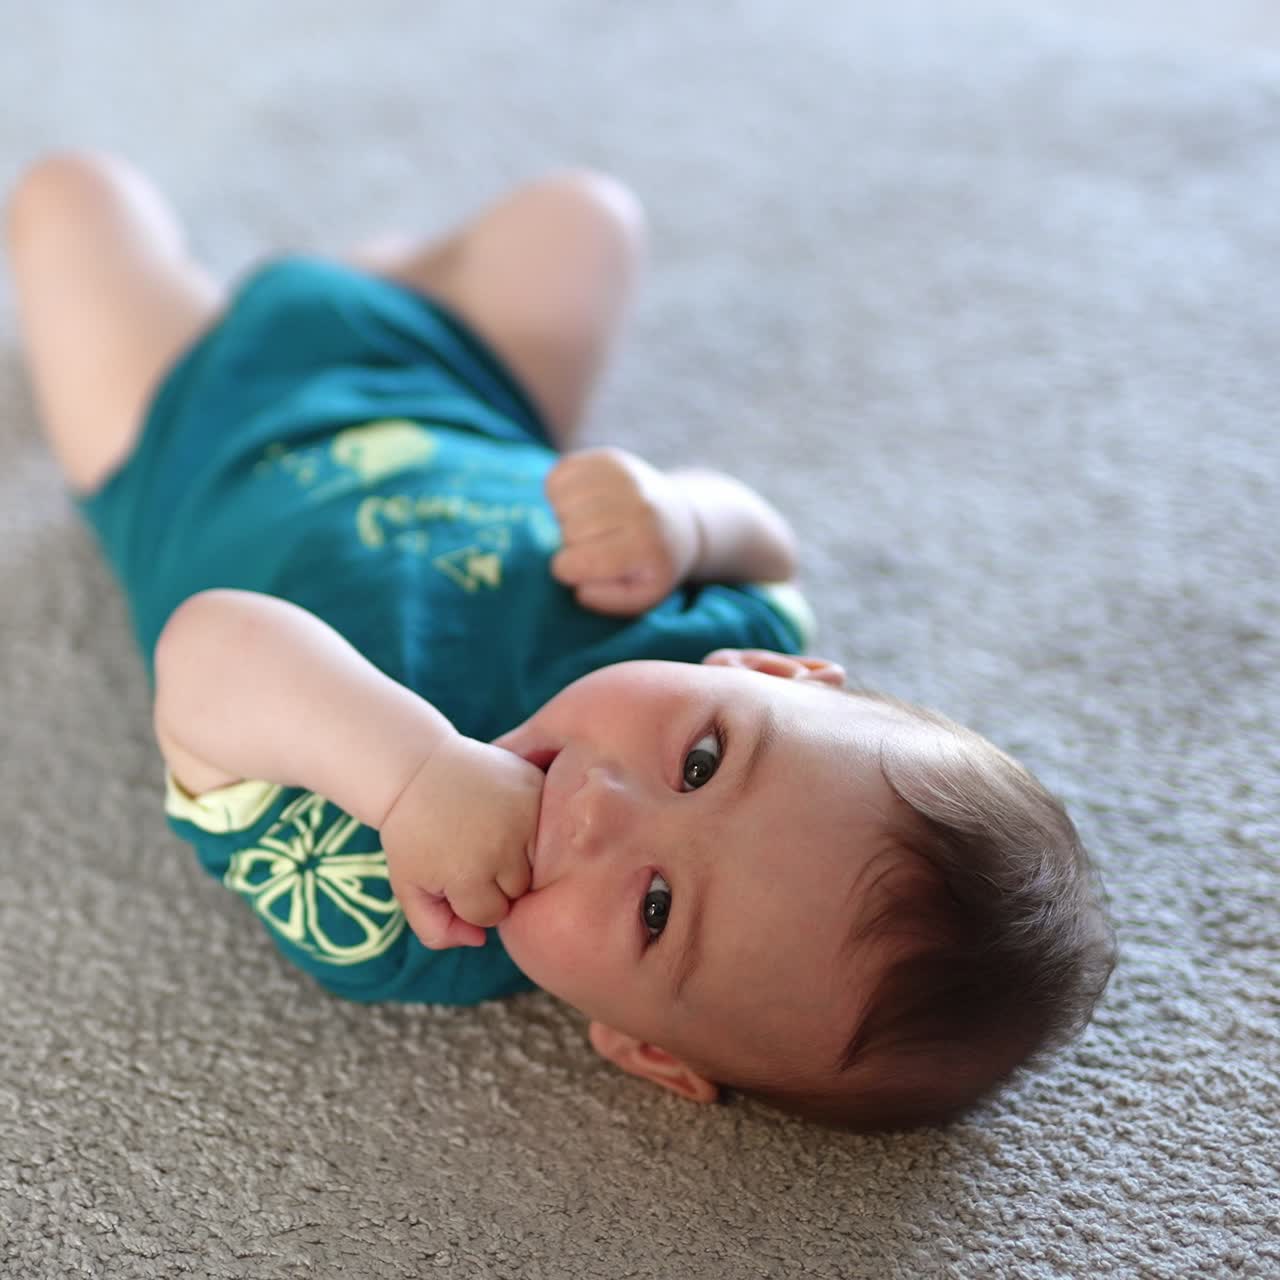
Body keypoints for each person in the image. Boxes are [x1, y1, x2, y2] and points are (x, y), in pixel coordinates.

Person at [5, 150, 1114, 1132]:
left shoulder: (396, 916)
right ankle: (385, 271)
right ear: (775, 673)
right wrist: (684, 519)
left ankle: (327, 276)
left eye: (655, 909)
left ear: (645, 1049)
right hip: (450, 381)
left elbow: (206, 650)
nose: (604, 808)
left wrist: (410, 775)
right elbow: (768, 547)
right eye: (702, 760)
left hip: (188, 437)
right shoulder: (722, 631)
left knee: (69, 198)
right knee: (584, 217)